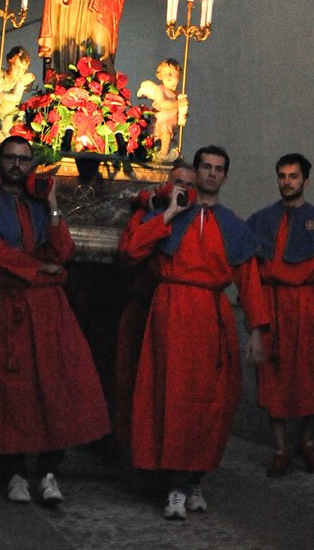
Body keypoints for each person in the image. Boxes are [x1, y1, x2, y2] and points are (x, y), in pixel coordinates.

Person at [0, 134, 110, 504]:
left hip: (48, 312)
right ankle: (14, 472)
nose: (16, 165)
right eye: (10, 158)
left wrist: (52, 204)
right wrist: (42, 270)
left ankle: (50, 472)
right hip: (4, 308)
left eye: (24, 159)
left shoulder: (40, 204)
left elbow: (62, 250)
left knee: (56, 388)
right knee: (10, 391)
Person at [120, 145, 269, 520]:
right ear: (197, 172)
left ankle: (194, 479)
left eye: (219, 168)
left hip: (212, 317)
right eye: (206, 166)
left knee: (210, 401)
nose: (212, 173)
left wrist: (257, 330)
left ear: (225, 176)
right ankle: (174, 486)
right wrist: (168, 214)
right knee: (171, 399)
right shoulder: (167, 214)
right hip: (170, 313)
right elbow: (132, 251)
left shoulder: (234, 226)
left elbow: (250, 281)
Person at [246, 153, 314, 476]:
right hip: (272, 306)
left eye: (293, 176)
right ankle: (280, 450)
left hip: (307, 308)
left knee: (310, 378)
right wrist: (256, 318)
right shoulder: (261, 221)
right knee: (273, 378)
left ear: (306, 180)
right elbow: (251, 274)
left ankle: (307, 442)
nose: (287, 182)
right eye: (282, 176)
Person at [115, 161, 197, 459]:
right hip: (143, 311)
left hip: (177, 315)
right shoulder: (148, 213)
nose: (182, 190)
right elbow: (131, 251)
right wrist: (165, 215)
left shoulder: (198, 220)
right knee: (136, 385)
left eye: (189, 185)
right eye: (178, 182)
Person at [137, 59, 188, 161]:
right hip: (160, 118)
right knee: (160, 132)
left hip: (171, 120)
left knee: (167, 132)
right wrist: (178, 104)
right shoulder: (160, 89)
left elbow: (182, 112)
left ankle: (164, 153)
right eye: (165, 74)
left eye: (172, 72)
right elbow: (162, 104)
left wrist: (183, 114)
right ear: (160, 76)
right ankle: (158, 153)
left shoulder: (179, 95)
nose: (169, 76)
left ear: (180, 75)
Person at [0, 46, 36, 140]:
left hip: (11, 114)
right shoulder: (1, 74)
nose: (19, 72)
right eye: (17, 67)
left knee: (6, 132)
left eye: (23, 69)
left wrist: (2, 95)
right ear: (9, 63)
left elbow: (16, 97)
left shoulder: (19, 82)